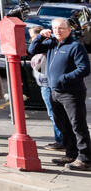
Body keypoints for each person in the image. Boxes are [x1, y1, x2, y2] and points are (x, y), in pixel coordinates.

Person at [28, 20, 91, 170]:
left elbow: (84, 69)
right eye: (55, 28)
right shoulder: (51, 44)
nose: (58, 31)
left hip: (71, 93)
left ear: (69, 30)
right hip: (54, 92)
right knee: (63, 125)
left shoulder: (75, 46)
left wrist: (64, 78)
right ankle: (71, 153)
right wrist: (40, 37)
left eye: (61, 28)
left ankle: (85, 158)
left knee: (77, 125)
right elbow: (31, 50)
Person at [29, 26, 65, 154]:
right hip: (46, 84)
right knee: (55, 114)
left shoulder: (46, 48)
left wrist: (39, 39)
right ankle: (61, 139)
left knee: (54, 114)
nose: (31, 39)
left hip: (47, 84)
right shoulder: (46, 46)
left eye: (32, 36)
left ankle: (61, 141)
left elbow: (39, 65)